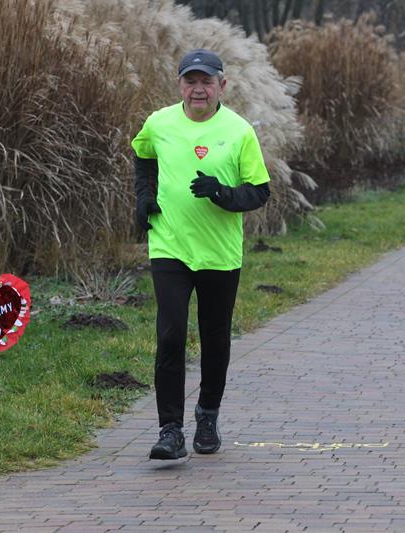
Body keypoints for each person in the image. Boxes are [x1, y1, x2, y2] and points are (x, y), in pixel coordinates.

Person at [131, 49, 271, 460]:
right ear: (180, 85)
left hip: (219, 254)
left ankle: (207, 415)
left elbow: (260, 190)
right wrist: (143, 198)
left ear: (221, 86)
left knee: (214, 339)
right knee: (171, 334)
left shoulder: (239, 131)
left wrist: (222, 194)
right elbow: (142, 157)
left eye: (206, 82)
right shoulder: (158, 123)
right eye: (190, 81)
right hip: (170, 246)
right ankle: (170, 430)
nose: (198, 89)